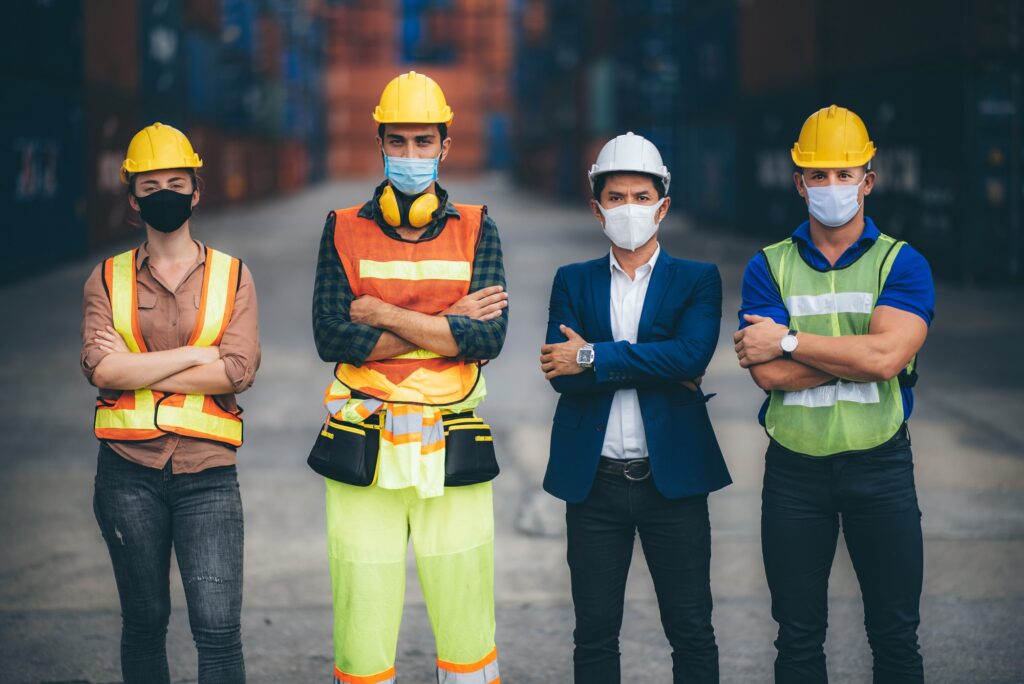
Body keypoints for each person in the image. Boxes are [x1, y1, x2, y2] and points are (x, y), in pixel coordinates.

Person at [312, 71, 508, 684]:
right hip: (361, 451)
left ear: (445, 147)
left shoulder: (478, 227)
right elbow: (332, 337)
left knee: (467, 625)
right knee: (362, 629)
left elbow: (488, 338)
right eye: (398, 142)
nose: (411, 156)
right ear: (380, 144)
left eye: (424, 142)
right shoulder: (342, 226)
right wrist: (445, 323)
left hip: (453, 448)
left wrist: (379, 314)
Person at [734, 105, 934, 683]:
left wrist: (791, 339)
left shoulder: (902, 263)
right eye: (817, 175)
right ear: (798, 183)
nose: (831, 187)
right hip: (795, 474)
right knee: (797, 641)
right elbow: (769, 376)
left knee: (895, 638)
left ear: (868, 181)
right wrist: (864, 357)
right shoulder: (766, 267)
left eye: (844, 174)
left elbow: (887, 357)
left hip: (882, 468)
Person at [539, 132, 731, 683]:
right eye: (617, 197)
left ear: (663, 206)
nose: (630, 208)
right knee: (594, 634)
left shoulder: (698, 279)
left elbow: (692, 354)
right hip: (594, 486)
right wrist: (655, 363)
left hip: (673, 485)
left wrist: (592, 354)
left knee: (691, 628)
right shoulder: (571, 280)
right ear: (597, 209)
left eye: (641, 197)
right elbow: (561, 376)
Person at [81, 122, 260, 683]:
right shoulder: (107, 278)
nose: (165, 195)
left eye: (176, 183)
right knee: (144, 622)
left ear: (196, 191)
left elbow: (237, 370)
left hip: (208, 474)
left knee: (217, 631)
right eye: (151, 186)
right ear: (132, 198)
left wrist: (138, 371)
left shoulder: (232, 275)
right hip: (126, 476)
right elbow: (100, 368)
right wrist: (195, 356)